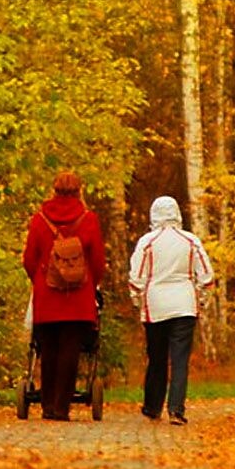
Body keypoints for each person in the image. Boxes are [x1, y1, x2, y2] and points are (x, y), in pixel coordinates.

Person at [20, 172, 106, 421]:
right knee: (71, 350)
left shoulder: (40, 219)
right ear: (79, 192)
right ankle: (61, 407)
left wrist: (40, 280)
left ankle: (47, 405)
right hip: (78, 297)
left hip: (47, 295)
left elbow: (29, 259)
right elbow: (98, 260)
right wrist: (90, 284)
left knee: (48, 349)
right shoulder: (88, 219)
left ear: (54, 190)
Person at [127, 196, 215, 425]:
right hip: (184, 306)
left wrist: (138, 301)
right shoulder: (191, 241)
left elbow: (136, 278)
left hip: (155, 306)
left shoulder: (147, 242)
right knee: (180, 360)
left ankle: (152, 406)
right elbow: (206, 277)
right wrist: (201, 301)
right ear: (177, 214)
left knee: (156, 357)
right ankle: (176, 409)